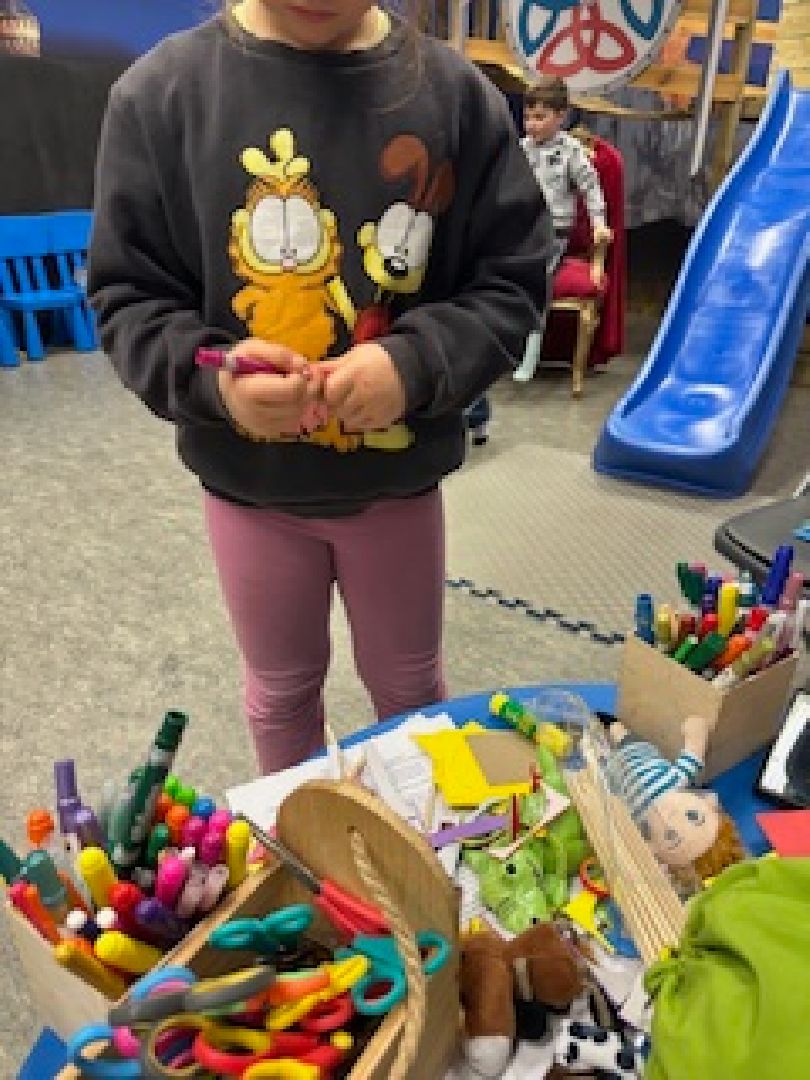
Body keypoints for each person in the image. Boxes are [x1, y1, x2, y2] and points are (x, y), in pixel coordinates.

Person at [88, 0, 551, 774]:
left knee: (410, 691)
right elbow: (128, 300)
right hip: (251, 490)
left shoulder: (457, 97)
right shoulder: (159, 95)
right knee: (279, 694)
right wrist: (217, 380)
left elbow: (510, 283)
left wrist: (414, 364)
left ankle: (417, 835)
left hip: (395, 489)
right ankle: (294, 830)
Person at [513, 76, 612, 384]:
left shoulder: (570, 151)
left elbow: (591, 189)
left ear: (560, 116)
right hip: (521, 229)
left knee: (536, 277)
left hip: (552, 233)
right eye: (528, 117)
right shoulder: (521, 149)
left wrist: (599, 224)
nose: (532, 125)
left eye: (540, 117)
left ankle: (531, 348)